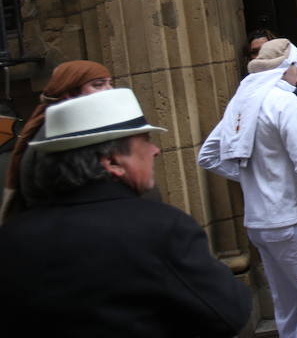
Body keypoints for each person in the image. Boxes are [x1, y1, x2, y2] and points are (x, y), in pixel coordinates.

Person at [0, 88, 251, 336]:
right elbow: (228, 312)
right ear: (111, 162)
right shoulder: (159, 228)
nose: (155, 151)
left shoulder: (13, 236)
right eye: (144, 142)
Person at [199, 39, 297, 338]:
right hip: (288, 220)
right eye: (296, 68)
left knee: (288, 309)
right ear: (286, 67)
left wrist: (252, 178)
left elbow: (208, 155)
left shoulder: (243, 100)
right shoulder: (283, 100)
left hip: (259, 224)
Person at [1, 60, 114, 222]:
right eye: (98, 85)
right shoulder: (54, 135)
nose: (109, 90)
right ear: (70, 93)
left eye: (110, 84)